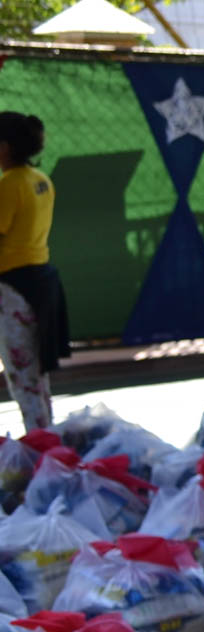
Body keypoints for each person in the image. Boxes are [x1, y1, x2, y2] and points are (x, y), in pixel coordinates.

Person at [0, 112, 67, 431]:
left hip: (13, 288)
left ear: (4, 147)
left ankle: (41, 450)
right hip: (39, 281)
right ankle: (46, 438)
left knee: (23, 377)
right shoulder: (41, 180)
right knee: (36, 375)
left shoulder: (10, 185)